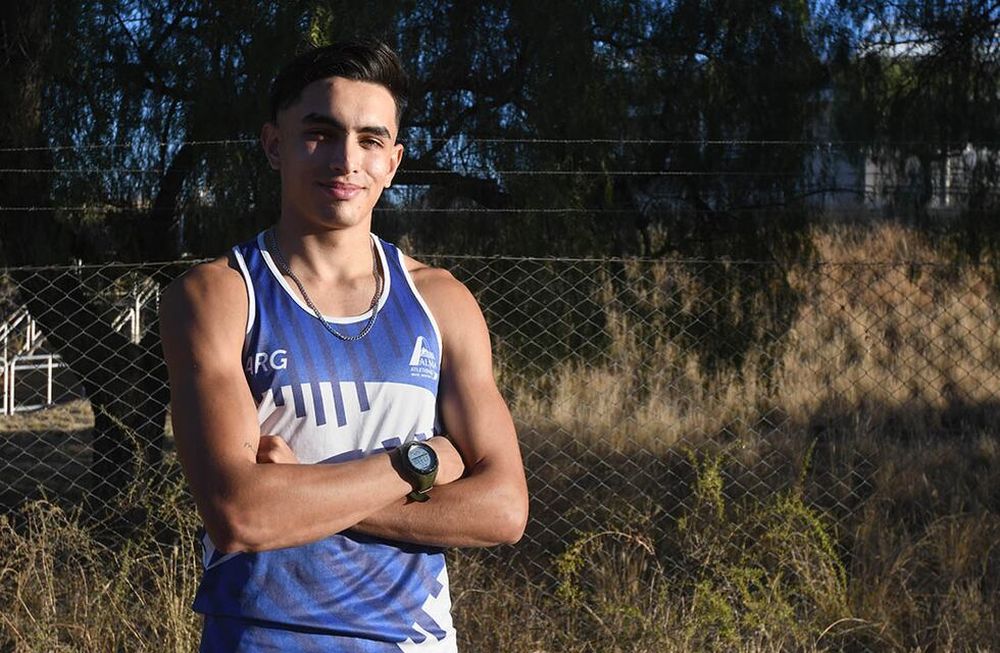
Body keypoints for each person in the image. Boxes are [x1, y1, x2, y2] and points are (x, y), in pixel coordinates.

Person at [159, 39, 529, 652]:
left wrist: (301, 487)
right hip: (261, 639)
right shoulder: (217, 297)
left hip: (413, 641)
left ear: (394, 161)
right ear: (274, 144)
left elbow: (503, 510)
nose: (345, 159)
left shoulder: (442, 302)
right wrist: (420, 464)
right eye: (320, 133)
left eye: (371, 139)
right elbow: (241, 516)